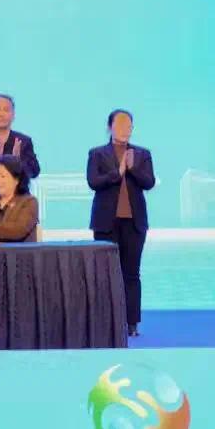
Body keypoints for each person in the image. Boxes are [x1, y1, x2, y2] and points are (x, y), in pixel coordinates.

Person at [87, 109, 156, 337]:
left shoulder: (142, 154)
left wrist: (132, 168)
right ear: (110, 127)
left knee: (131, 274)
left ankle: (132, 322)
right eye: (120, 124)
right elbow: (93, 182)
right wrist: (118, 173)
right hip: (105, 223)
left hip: (134, 223)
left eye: (129, 125)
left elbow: (149, 182)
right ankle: (106, 322)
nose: (125, 129)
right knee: (106, 274)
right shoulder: (97, 154)